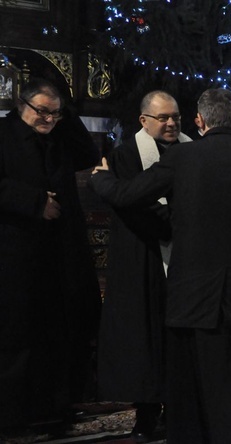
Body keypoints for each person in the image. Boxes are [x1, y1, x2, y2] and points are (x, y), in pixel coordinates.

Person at [90, 88, 231, 444]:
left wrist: (101, 178)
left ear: (200, 121)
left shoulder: (183, 157)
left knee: (193, 392)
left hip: (193, 297)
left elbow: (128, 195)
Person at [0, 78, 101, 430]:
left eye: (54, 113)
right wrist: (34, 203)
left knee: (57, 333)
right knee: (17, 335)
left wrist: (65, 114)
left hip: (59, 253)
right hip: (15, 253)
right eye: (41, 111)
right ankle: (12, 413)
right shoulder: (3, 133)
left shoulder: (59, 134)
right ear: (21, 105)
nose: (47, 119)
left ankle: (54, 406)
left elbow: (89, 155)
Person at [97, 90, 192, 442]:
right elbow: (133, 204)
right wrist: (171, 221)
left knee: (178, 336)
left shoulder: (191, 150)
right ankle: (147, 412)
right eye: (163, 118)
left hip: (182, 258)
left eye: (175, 117)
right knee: (144, 338)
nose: (171, 123)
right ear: (144, 121)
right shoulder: (125, 156)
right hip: (141, 255)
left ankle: (179, 406)